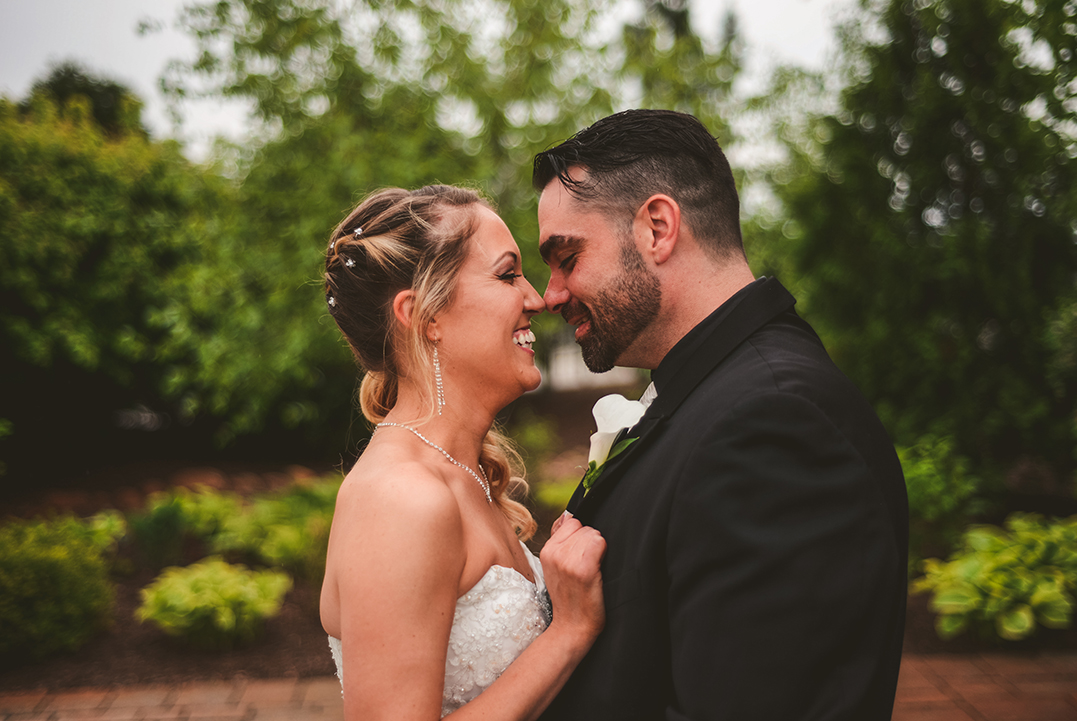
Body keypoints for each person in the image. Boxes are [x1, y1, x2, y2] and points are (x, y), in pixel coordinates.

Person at [532, 109, 909, 720]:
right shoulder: (713, 392)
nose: (548, 293)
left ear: (657, 228)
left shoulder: (776, 422)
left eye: (567, 257)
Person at [319, 185, 607, 720]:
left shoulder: (462, 474)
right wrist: (567, 634)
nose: (536, 298)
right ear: (424, 316)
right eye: (506, 274)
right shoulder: (399, 498)